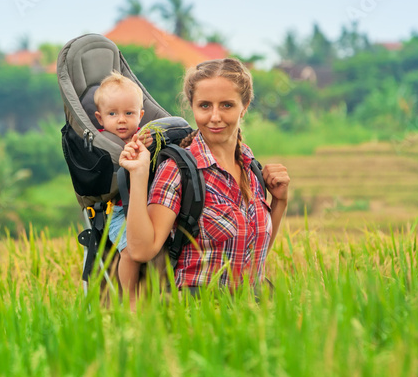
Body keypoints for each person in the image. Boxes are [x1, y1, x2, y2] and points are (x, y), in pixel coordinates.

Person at [119, 58, 290, 299]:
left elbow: (254, 254)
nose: (215, 117)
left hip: (253, 314)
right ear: (192, 107)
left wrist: (279, 202)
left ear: (245, 106)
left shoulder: (252, 169)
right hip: (197, 316)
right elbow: (141, 250)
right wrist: (138, 174)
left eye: (227, 105)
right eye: (205, 105)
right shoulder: (178, 170)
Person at [92, 72, 149, 309]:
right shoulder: (103, 143)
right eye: (112, 114)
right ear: (100, 118)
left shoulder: (144, 138)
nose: (122, 120)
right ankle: (131, 297)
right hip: (118, 213)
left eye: (129, 113)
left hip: (146, 208)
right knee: (129, 251)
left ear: (140, 115)